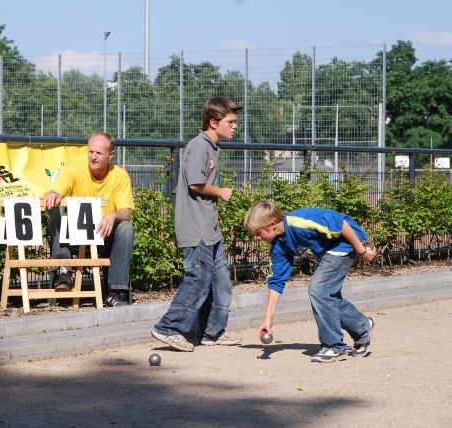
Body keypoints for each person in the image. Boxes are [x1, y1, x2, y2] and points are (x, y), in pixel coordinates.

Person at [151, 97, 243, 352]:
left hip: (210, 227)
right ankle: (168, 327)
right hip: (196, 227)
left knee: (221, 279)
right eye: (230, 122)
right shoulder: (199, 146)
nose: (235, 126)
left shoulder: (211, 147)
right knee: (199, 278)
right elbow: (195, 183)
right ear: (213, 122)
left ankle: (212, 331)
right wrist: (220, 192)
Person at [243, 200, 378, 363]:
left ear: (272, 224)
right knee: (327, 296)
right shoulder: (279, 245)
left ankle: (334, 346)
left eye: (258, 233)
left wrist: (362, 252)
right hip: (328, 251)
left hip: (344, 243)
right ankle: (362, 326)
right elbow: (276, 281)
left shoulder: (299, 221)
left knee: (318, 289)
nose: (257, 238)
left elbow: (341, 224)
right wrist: (268, 320)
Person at [43, 131, 134, 307]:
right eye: (90, 152)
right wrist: (54, 193)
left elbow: (126, 211)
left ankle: (116, 292)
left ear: (110, 155)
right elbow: (58, 189)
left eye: (99, 153)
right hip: (74, 234)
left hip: (103, 233)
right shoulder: (74, 169)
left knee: (126, 227)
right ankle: (63, 270)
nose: (93, 157)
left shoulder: (120, 175)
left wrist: (113, 214)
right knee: (56, 211)